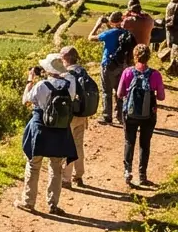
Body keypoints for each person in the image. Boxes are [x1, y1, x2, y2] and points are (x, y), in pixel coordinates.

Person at [15, 52, 78, 215]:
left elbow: (25, 100)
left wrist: (30, 79)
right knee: (56, 167)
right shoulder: (70, 85)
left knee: (33, 164)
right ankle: (53, 204)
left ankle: (28, 201)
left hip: (41, 129)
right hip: (60, 130)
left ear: (47, 69)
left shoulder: (41, 85)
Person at [116, 44, 166, 187]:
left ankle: (127, 171)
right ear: (149, 56)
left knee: (129, 141)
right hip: (149, 114)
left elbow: (120, 94)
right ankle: (142, 176)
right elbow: (161, 97)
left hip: (130, 113)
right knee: (145, 144)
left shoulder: (127, 72)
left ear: (134, 56)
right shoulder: (155, 74)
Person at [60, 45, 97, 188]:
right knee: (78, 145)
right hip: (83, 114)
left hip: (71, 115)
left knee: (68, 146)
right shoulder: (83, 71)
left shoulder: (67, 75)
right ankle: (79, 175)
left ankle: (66, 178)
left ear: (65, 59)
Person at [90, 11, 132, 124]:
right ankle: (120, 116)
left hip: (108, 64)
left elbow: (91, 37)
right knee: (119, 91)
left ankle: (107, 116)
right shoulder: (126, 32)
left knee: (106, 91)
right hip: (121, 65)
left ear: (112, 21)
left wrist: (97, 25)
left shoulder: (109, 34)